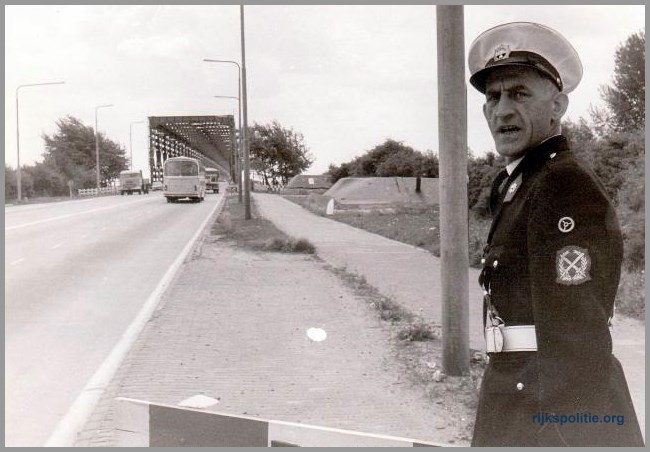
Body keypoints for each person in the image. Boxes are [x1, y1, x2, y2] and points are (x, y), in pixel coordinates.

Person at [467, 22, 644, 447]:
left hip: (549, 411)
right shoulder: (519, 182)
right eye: (493, 97)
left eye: (520, 93)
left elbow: (575, 327)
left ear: (557, 105)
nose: (503, 109)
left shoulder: (563, 184)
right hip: (515, 389)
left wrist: (567, 430)